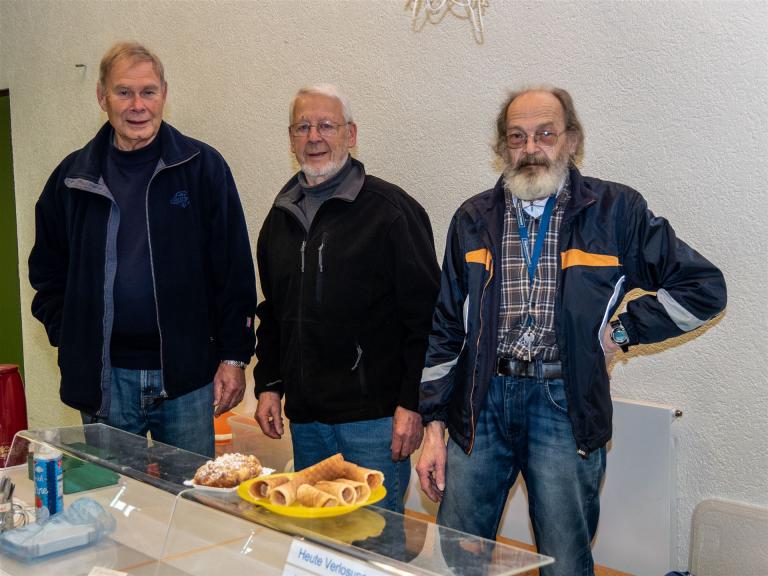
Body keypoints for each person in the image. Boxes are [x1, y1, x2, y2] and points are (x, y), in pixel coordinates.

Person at [416, 87, 726, 574]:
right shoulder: (473, 218)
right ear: (502, 147)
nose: (531, 148)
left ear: (572, 141)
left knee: (564, 562)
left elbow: (704, 288)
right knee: (458, 556)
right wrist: (433, 428)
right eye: (517, 137)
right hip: (480, 405)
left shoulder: (615, 211)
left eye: (546, 134)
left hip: (563, 405)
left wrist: (622, 333)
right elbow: (446, 328)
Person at [29, 42, 256, 458]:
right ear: (102, 97)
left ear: (164, 94)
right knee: (112, 493)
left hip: (187, 378)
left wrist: (234, 357)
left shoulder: (202, 168)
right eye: (124, 92)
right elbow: (47, 271)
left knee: (188, 491)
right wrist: (72, 335)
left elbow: (233, 271)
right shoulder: (72, 178)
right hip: (104, 380)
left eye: (148, 91)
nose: (138, 105)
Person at [254, 84, 439, 512]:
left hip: (373, 422)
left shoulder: (391, 211)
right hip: (306, 421)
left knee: (375, 537)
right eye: (302, 127)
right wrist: (269, 385)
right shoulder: (280, 218)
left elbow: (426, 319)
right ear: (290, 139)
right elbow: (274, 313)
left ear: (350, 134)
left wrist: (413, 404)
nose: (314, 137)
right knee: (318, 534)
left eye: (326, 126)